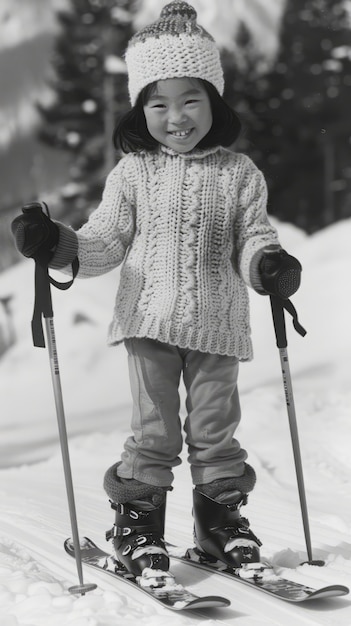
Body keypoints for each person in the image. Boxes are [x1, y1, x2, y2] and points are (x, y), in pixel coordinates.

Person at [12, 1, 302, 577]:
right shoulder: (133, 174)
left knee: (216, 433)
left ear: (213, 103)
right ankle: (137, 527)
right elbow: (105, 241)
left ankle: (217, 524)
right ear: (139, 109)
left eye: (191, 99)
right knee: (156, 431)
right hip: (148, 323)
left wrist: (268, 263)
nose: (177, 116)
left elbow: (252, 236)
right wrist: (58, 242)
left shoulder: (240, 173)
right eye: (158, 102)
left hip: (219, 323)